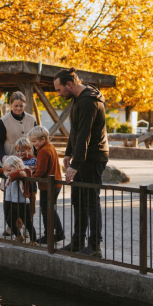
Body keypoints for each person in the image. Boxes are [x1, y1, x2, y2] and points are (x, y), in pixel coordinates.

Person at [54, 67, 109, 257]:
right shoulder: (78, 99)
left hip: (93, 157)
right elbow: (75, 131)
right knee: (78, 199)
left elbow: (85, 134)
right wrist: (69, 153)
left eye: (59, 89)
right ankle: (78, 241)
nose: (59, 93)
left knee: (91, 201)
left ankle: (94, 247)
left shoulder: (88, 101)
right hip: (81, 157)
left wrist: (75, 165)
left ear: (69, 84)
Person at [0, 91, 37, 236]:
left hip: (28, 165)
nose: (19, 108)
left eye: (21, 106)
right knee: (10, 198)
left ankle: (27, 225)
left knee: (29, 196)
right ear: (11, 105)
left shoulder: (32, 120)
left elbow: (37, 140)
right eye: (16, 106)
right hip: (11, 164)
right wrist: (3, 157)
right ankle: (11, 225)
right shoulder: (4, 121)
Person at [0, 156, 37, 245]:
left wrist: (10, 178)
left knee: (28, 223)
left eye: (9, 171)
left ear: (17, 166)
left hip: (23, 203)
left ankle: (33, 240)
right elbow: (1, 171)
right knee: (9, 220)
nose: (8, 173)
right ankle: (19, 235)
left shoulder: (26, 170)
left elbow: (20, 174)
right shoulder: (8, 172)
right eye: (7, 171)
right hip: (13, 202)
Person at [27, 126, 64, 244]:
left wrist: (28, 180)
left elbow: (41, 172)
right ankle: (59, 233)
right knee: (50, 210)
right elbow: (44, 166)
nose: (34, 145)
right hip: (55, 184)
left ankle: (49, 236)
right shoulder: (50, 147)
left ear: (42, 139)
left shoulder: (43, 150)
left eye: (34, 141)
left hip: (47, 186)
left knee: (46, 211)